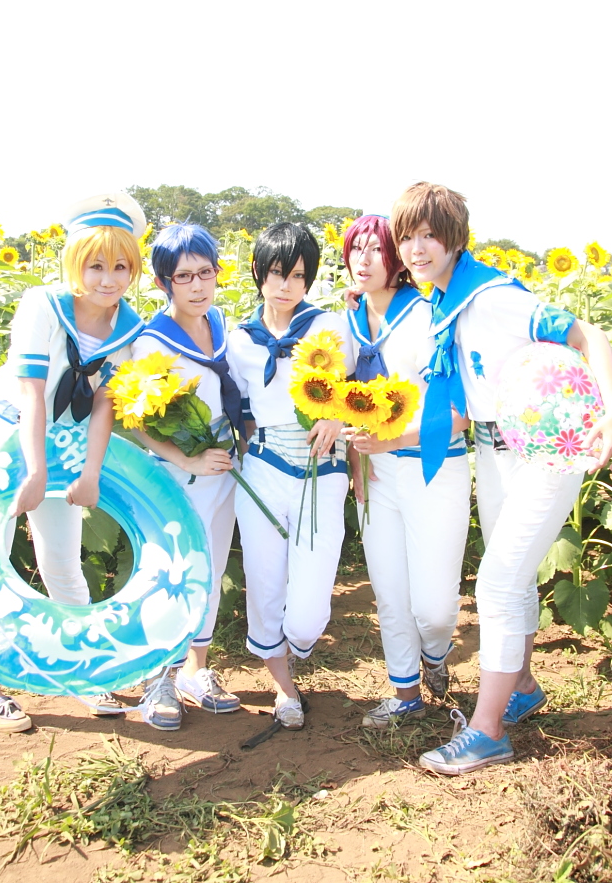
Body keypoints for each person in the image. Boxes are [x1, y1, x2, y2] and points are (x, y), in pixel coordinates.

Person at [389, 182, 612, 774]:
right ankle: (523, 686)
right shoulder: (447, 300)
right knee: (513, 581)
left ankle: (487, 733)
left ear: (455, 238)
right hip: (493, 450)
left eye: (430, 235)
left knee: (495, 584)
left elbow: (590, 335)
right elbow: (466, 401)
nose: (417, 248)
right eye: (407, 237)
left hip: (543, 451)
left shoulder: (490, 297)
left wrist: (609, 414)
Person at [0, 190, 145, 731]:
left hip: (67, 441)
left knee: (62, 559)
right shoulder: (42, 304)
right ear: (74, 263)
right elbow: (31, 393)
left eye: (120, 267)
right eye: (95, 265)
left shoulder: (129, 325)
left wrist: (89, 473)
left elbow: (107, 403)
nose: (107, 280)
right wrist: (35, 471)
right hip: (5, 435)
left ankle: (83, 674)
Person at [342, 214, 471, 727]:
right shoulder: (347, 320)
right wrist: (358, 461)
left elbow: (460, 414)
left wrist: (394, 439)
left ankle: (436, 655)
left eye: (376, 248)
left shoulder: (428, 314)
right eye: (356, 248)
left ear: (396, 259)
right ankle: (405, 692)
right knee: (390, 592)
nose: (364, 259)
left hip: (432, 468)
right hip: (377, 474)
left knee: (434, 610)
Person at [226, 222, 354, 730]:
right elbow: (238, 410)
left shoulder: (331, 327)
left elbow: (357, 389)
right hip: (262, 469)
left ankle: (297, 643)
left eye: (298, 276)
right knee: (263, 582)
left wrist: (337, 415)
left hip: (322, 470)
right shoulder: (239, 340)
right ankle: (284, 688)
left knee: (307, 612)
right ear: (258, 272)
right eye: (277, 273)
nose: (286, 285)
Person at [129, 223, 244, 730]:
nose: (198, 286)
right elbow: (137, 420)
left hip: (223, 472)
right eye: (184, 277)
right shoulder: (152, 343)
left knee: (211, 570)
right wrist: (187, 461)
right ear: (163, 283)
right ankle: (158, 678)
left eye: (205, 273)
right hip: (180, 478)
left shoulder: (217, 322)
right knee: (173, 573)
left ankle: (196, 669)